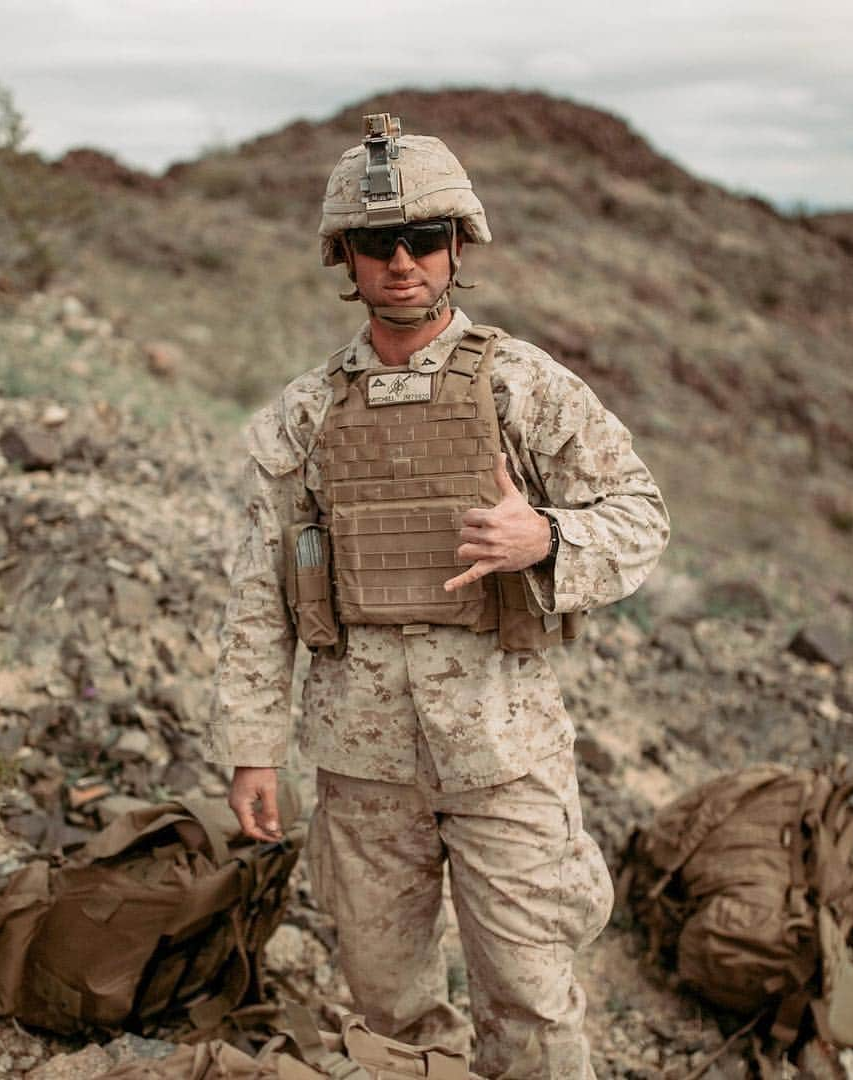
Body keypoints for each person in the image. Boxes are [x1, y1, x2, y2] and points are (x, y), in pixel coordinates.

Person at [207, 113, 670, 1080]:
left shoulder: (521, 385)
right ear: (347, 257)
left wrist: (546, 537)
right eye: (378, 244)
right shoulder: (306, 412)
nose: (402, 263)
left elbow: (641, 514)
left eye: (424, 239)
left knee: (533, 1004)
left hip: (504, 752)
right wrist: (252, 748)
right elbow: (261, 589)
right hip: (363, 762)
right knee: (387, 1006)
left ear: (459, 246)